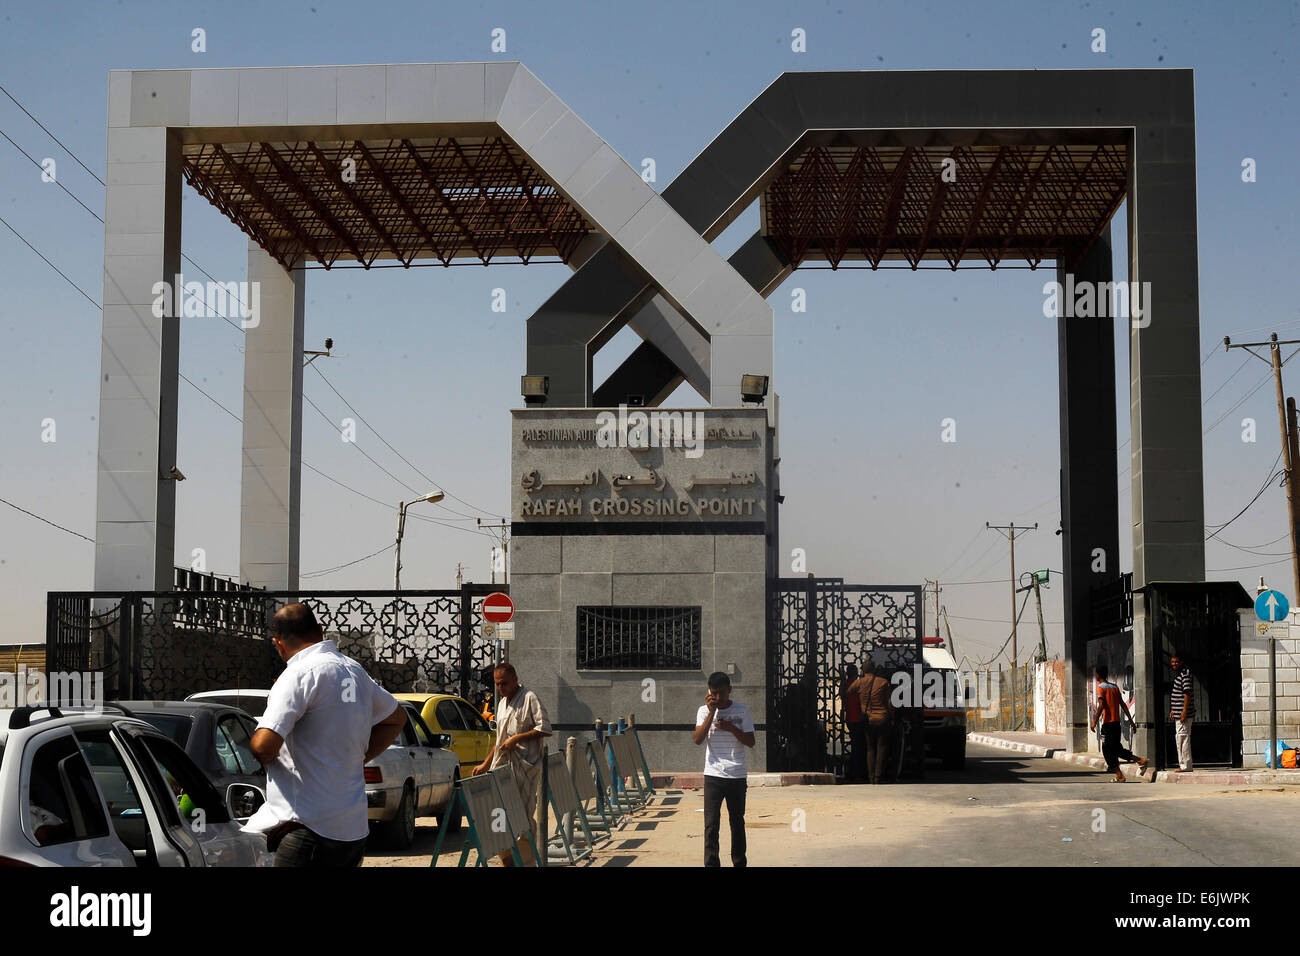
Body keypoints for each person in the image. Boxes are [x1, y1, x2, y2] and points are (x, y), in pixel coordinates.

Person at [246, 603, 406, 867]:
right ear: (320, 631)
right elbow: (396, 719)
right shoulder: (355, 671)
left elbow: (263, 746)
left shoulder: (297, 674)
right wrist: (357, 758)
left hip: (308, 827)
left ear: (279, 644)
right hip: (351, 830)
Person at [471, 662, 551, 866]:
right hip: (503, 769)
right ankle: (507, 859)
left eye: (504, 683)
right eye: (497, 684)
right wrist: (485, 764)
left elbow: (545, 728)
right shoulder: (501, 704)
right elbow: (499, 741)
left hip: (525, 767)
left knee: (521, 818)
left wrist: (517, 739)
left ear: (515, 679)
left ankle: (526, 861)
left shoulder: (529, 698)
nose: (500, 688)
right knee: (499, 815)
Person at [693, 672, 755, 867]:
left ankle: (739, 862)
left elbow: (751, 742)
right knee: (711, 825)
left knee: (737, 822)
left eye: (721, 693)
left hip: (736, 775)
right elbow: (697, 739)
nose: (718, 698)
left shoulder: (742, 711)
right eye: (714, 693)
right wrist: (711, 713)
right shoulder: (703, 711)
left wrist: (732, 729)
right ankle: (711, 863)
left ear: (730, 690)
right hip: (713, 775)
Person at [1089, 662, 1148, 782]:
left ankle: (1138, 761)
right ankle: (1123, 772)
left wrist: (1094, 721)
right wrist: (1131, 721)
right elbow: (1123, 705)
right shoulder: (1114, 687)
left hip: (1108, 725)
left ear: (1098, 675)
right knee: (1115, 748)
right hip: (1116, 724)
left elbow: (1101, 706)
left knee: (1108, 750)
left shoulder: (1101, 688)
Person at [848, 658, 895, 784]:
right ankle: (878, 777)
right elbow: (889, 702)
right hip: (882, 718)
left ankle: (870, 776)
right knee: (882, 747)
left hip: (868, 719)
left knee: (870, 748)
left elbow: (846, 693)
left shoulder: (859, 682)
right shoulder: (883, 682)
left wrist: (843, 679)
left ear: (863, 670)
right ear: (874, 669)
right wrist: (893, 717)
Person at [1169, 652, 1195, 773]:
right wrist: (1174, 709)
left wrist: (1184, 711)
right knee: (1180, 738)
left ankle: (1186, 765)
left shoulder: (1185, 674)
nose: (1174, 664)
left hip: (1184, 715)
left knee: (1183, 738)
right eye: (1172, 661)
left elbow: (1187, 693)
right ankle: (1184, 764)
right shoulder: (1179, 674)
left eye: (1176, 662)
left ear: (1181, 662)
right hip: (1179, 713)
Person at [840, 663, 865, 782]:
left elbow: (842, 695)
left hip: (850, 718)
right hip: (859, 719)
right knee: (860, 747)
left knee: (856, 746)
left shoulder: (845, 685)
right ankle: (858, 772)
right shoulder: (859, 684)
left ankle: (854, 772)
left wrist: (842, 678)